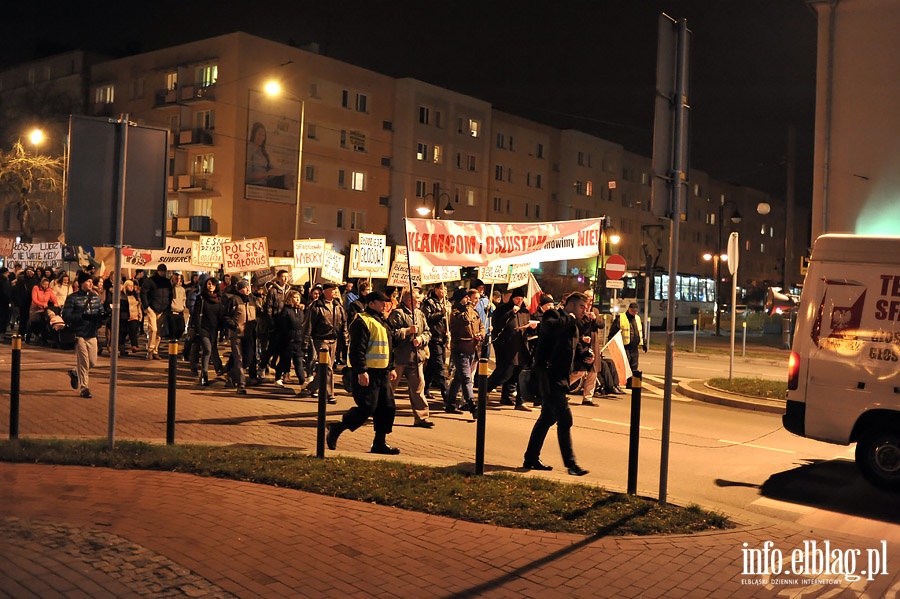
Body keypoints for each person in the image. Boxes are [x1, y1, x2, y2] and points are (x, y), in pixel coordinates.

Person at [522, 291, 590, 476]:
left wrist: (585, 355)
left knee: (547, 418)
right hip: (549, 376)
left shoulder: (572, 322)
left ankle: (531, 458)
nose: (585, 311)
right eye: (582, 307)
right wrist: (571, 318)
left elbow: (573, 346)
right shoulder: (554, 315)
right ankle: (571, 465)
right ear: (571, 305)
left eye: (586, 307)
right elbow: (550, 329)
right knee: (565, 419)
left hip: (561, 377)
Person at [325, 290, 400, 455]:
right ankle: (337, 428)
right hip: (368, 373)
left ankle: (379, 443)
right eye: (381, 302)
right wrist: (361, 371)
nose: (385, 305)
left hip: (382, 373)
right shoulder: (362, 321)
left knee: (387, 407)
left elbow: (388, 347)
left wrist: (391, 367)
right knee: (367, 407)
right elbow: (356, 349)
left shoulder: (382, 321)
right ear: (371, 303)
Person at [388, 287, 433, 428]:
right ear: (409, 300)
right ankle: (381, 413)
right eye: (417, 299)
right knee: (389, 389)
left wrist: (421, 339)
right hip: (400, 358)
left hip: (416, 358)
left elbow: (428, 332)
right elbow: (391, 334)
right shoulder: (397, 314)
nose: (419, 301)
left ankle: (421, 417)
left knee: (418, 389)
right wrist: (407, 331)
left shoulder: (420, 314)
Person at [486, 286, 536, 411]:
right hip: (506, 346)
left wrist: (531, 327)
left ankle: (519, 400)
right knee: (504, 373)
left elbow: (526, 328)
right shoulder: (503, 309)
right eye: (517, 298)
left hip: (520, 347)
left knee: (518, 374)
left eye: (521, 299)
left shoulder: (525, 312)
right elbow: (498, 324)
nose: (519, 301)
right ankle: (485, 388)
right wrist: (510, 313)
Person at [62, 272, 105, 399]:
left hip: (91, 333)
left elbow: (100, 312)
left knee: (92, 362)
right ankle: (84, 388)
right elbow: (66, 315)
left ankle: (75, 372)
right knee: (84, 362)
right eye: (88, 281)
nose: (91, 283)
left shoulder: (95, 297)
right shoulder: (72, 298)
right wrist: (81, 317)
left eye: (91, 281)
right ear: (81, 283)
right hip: (79, 333)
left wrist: (104, 316)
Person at [304, 281, 348, 403]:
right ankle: (330, 394)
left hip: (333, 339)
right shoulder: (316, 306)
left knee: (324, 368)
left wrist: (345, 339)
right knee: (328, 367)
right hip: (320, 339)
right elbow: (308, 324)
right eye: (333, 289)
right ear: (326, 291)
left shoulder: (338, 305)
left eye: (336, 290)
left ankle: (312, 387)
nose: (335, 292)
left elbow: (344, 323)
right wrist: (305, 341)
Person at [446, 288, 484, 416]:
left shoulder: (473, 311)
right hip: (461, 349)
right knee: (467, 378)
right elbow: (465, 320)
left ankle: (450, 403)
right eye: (466, 297)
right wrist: (468, 306)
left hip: (472, 349)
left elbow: (480, 324)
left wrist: (481, 334)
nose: (469, 300)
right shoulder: (456, 312)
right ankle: (472, 405)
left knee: (459, 378)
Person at [223, 279, 257, 394]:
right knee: (239, 359)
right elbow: (226, 316)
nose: (247, 289)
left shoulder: (252, 300)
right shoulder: (233, 300)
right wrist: (234, 326)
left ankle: (231, 375)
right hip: (237, 334)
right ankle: (241, 384)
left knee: (249, 358)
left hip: (249, 334)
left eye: (248, 287)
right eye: (244, 287)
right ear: (239, 289)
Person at [420, 282, 451, 405]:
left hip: (443, 338)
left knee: (433, 366)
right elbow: (426, 317)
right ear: (436, 289)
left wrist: (449, 334)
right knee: (439, 367)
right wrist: (440, 314)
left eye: (446, 289)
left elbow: (449, 321)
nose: (444, 291)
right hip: (434, 338)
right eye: (442, 288)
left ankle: (424, 388)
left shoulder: (447, 303)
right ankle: (447, 397)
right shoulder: (429, 302)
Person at [191, 277, 225, 386]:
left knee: (212, 349)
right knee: (207, 350)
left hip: (214, 329)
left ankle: (218, 368)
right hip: (203, 328)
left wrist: (222, 330)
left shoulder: (218, 299)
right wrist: (198, 328)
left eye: (212, 284)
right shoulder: (201, 298)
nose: (210, 286)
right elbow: (196, 314)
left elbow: (221, 316)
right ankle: (204, 375)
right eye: (208, 284)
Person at [575, 289, 606, 406]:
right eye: (589, 299)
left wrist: (595, 318)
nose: (590, 302)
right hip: (581, 343)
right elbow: (576, 325)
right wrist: (581, 337)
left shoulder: (595, 311)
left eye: (592, 299)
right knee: (579, 371)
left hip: (593, 342)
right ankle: (562, 388)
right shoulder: (579, 309)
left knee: (593, 372)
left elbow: (601, 325)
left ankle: (587, 398)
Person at [608, 301, 646, 386]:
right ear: (629, 309)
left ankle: (631, 384)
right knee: (625, 366)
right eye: (633, 311)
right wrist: (611, 342)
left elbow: (641, 331)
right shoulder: (621, 318)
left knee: (634, 366)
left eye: (636, 311)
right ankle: (619, 383)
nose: (634, 313)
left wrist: (644, 343)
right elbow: (613, 331)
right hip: (624, 347)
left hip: (634, 347)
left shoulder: (638, 318)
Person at [274, 289, 307, 388]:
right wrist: (288, 337)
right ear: (290, 299)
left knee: (299, 362)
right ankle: (277, 378)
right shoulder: (286, 311)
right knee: (284, 361)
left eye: (298, 298)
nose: (297, 300)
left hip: (298, 340)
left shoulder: (301, 311)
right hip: (288, 341)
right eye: (295, 298)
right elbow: (283, 326)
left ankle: (302, 382)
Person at [140, 263, 173, 360]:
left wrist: (168, 306)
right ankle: (150, 350)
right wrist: (147, 306)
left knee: (159, 331)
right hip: (152, 308)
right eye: (161, 271)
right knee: (153, 329)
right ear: (158, 271)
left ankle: (155, 350)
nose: (163, 273)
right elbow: (143, 293)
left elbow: (170, 295)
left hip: (163, 309)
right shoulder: (150, 281)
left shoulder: (167, 282)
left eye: (164, 271)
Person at [246, 121, 288, 188]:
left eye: (263, 135)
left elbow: (269, 169)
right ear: (254, 134)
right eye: (259, 134)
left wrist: (275, 172)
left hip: (264, 185)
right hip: (254, 186)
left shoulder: (262, 152)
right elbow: (248, 176)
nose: (261, 138)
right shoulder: (250, 149)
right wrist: (266, 174)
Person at [29, 277, 58, 344]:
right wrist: (41, 304)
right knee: (34, 322)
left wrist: (56, 303)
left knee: (43, 322)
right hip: (35, 307)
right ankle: (28, 336)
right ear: (41, 283)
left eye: (47, 284)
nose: (45, 286)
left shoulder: (49, 290)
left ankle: (43, 338)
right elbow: (34, 299)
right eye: (44, 284)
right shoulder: (36, 288)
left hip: (44, 308)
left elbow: (53, 297)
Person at [119, 279, 143, 355]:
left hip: (134, 316)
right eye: (129, 286)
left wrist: (140, 314)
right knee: (123, 332)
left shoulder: (135, 295)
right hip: (125, 317)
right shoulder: (122, 295)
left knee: (133, 331)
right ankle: (122, 348)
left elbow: (138, 305)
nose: (131, 287)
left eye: (132, 286)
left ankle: (134, 346)